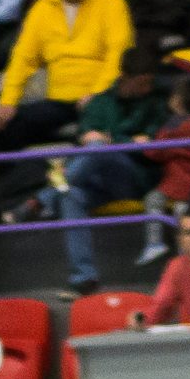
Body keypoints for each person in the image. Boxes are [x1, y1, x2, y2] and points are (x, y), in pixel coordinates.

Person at [49, 48, 160, 291]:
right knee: (70, 195)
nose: (148, 88)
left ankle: (45, 195)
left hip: (132, 179)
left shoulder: (154, 104)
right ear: (125, 77)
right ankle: (84, 278)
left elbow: (150, 147)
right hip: (95, 182)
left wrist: (111, 141)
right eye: (142, 83)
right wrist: (125, 141)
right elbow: (86, 137)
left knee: (100, 148)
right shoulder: (100, 102)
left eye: (150, 82)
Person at [0, 0, 134, 149]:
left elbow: (119, 55)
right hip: (59, 99)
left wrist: (98, 94)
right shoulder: (41, 8)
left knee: (95, 132)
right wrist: (8, 101)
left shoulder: (111, 2)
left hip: (103, 97)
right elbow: (23, 59)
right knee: (9, 124)